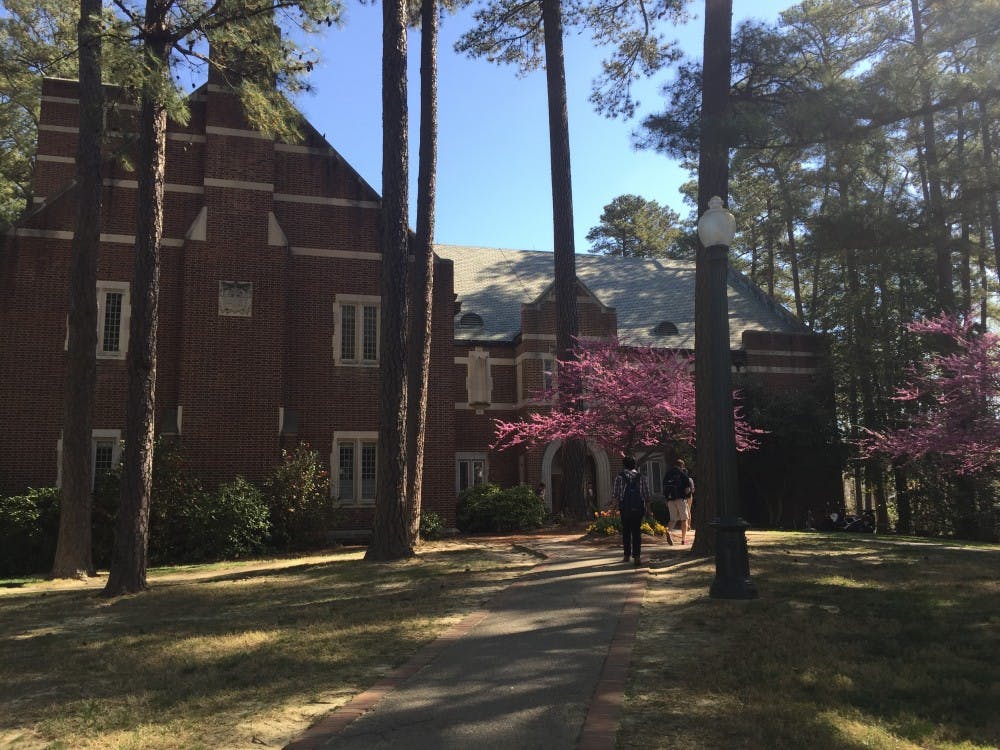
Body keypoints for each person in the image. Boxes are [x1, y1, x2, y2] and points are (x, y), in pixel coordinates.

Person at [611, 456, 649, 566]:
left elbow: (616, 495)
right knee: (637, 532)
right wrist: (648, 509)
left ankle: (626, 555)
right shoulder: (641, 477)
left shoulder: (620, 477)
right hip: (638, 508)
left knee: (626, 532)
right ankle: (637, 556)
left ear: (624, 465)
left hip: (625, 508)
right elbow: (646, 495)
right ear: (634, 465)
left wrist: (613, 509)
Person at [664, 459, 694, 545]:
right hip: (680, 499)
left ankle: (668, 531)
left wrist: (666, 499)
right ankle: (683, 540)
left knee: (673, 519)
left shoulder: (668, 474)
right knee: (684, 519)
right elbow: (688, 490)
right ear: (682, 466)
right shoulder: (683, 474)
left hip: (670, 499)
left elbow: (664, 488)